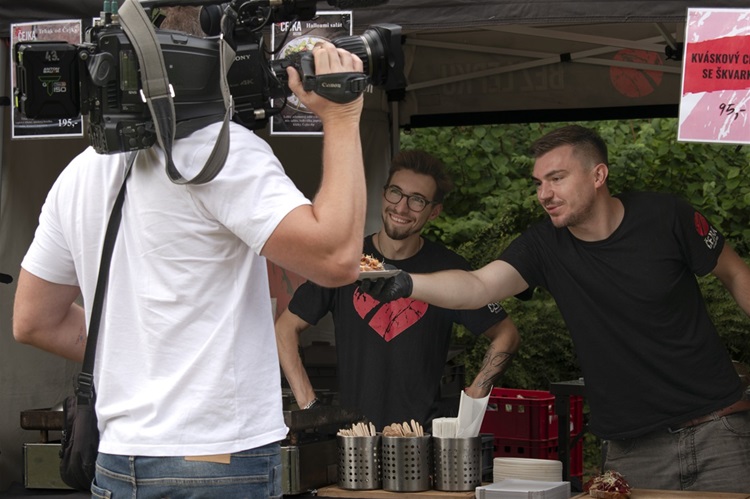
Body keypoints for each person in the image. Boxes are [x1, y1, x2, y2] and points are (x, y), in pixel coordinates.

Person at [12, 6, 367, 496]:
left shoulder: (80, 173)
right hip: (216, 457)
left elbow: (34, 321)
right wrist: (343, 116)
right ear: (198, 59)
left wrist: (140, 354)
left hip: (119, 458)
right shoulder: (223, 152)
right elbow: (338, 259)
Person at [360, 125, 750, 493]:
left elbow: (735, 273)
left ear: (598, 175)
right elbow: (478, 286)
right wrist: (407, 283)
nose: (544, 193)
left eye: (557, 178)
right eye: (539, 183)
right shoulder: (543, 246)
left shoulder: (666, 216)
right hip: (632, 449)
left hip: (718, 428)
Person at [275, 150, 520, 431]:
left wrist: (475, 396)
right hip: (356, 437)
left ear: (434, 211)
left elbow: (507, 334)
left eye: (417, 200)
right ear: (383, 194)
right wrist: (310, 407)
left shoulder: (450, 269)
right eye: (396, 193)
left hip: (423, 438)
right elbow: (285, 328)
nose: (402, 208)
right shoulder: (346, 260)